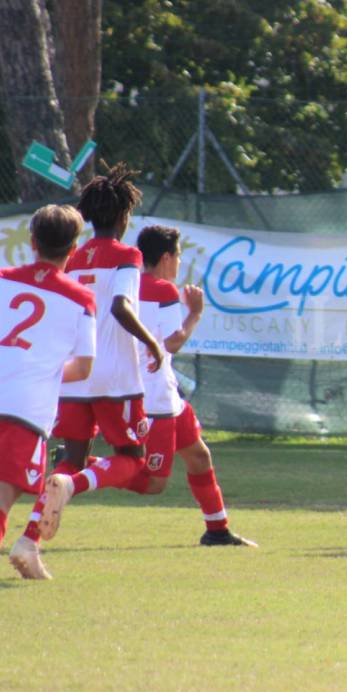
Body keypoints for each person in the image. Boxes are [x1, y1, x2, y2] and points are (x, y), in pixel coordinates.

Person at [8, 163, 164, 580]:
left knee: (71, 459)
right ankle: (73, 487)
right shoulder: (127, 255)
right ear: (123, 216)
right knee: (134, 461)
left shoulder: (71, 257)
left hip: (73, 376)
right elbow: (120, 305)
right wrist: (150, 342)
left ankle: (28, 542)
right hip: (115, 377)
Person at [0, 205, 96, 683]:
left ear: (32, 241)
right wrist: (41, 371)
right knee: (0, 502)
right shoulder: (81, 298)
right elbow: (82, 368)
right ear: (74, 250)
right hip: (24, 408)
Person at [121, 224, 255, 546]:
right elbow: (174, 342)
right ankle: (83, 471)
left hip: (162, 391)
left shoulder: (128, 286)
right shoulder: (162, 289)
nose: (179, 263)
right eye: (178, 257)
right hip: (154, 399)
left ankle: (217, 530)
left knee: (198, 456)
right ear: (167, 257)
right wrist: (195, 313)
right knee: (153, 482)